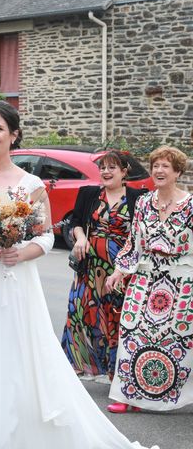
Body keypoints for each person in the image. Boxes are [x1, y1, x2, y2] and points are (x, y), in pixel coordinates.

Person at [0, 101, 157, 449]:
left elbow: (45, 235)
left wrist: (20, 252)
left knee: (10, 364)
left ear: (14, 135)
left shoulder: (30, 184)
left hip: (9, 283)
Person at [106, 146, 193, 414]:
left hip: (181, 279)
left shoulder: (190, 204)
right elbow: (134, 242)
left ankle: (182, 395)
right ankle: (128, 395)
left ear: (177, 172)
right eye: (156, 165)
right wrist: (119, 270)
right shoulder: (144, 202)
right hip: (146, 275)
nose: (159, 170)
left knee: (180, 337)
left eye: (166, 166)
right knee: (132, 329)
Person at [61, 151, 146, 382]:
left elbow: (140, 233)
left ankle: (114, 368)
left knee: (114, 314)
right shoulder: (88, 193)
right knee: (80, 310)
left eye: (112, 168)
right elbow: (76, 221)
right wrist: (80, 237)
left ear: (124, 172)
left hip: (119, 266)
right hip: (89, 265)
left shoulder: (138, 197)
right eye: (103, 168)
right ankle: (78, 363)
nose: (106, 172)